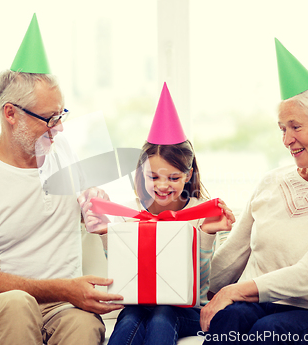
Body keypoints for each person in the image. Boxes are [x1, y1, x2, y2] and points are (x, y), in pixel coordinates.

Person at [0, 14, 122, 345]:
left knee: (84, 325)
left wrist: (101, 212)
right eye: (49, 118)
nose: (60, 126)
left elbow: (106, 218)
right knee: (17, 303)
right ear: (10, 114)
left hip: (61, 306)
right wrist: (65, 287)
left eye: (62, 114)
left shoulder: (67, 156)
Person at [199, 39, 308, 345]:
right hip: (258, 304)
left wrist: (233, 292)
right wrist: (195, 291)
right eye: (282, 128)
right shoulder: (271, 181)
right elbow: (234, 255)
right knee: (230, 317)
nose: (286, 140)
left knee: (268, 331)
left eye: (295, 127)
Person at [82, 83, 236, 345]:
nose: (163, 186)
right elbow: (124, 276)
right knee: (130, 317)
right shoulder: (129, 211)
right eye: (154, 176)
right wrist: (107, 235)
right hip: (139, 305)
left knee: (163, 314)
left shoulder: (200, 212)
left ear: (188, 175)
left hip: (186, 311)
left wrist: (207, 235)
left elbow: (200, 287)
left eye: (174, 177)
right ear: (142, 171)